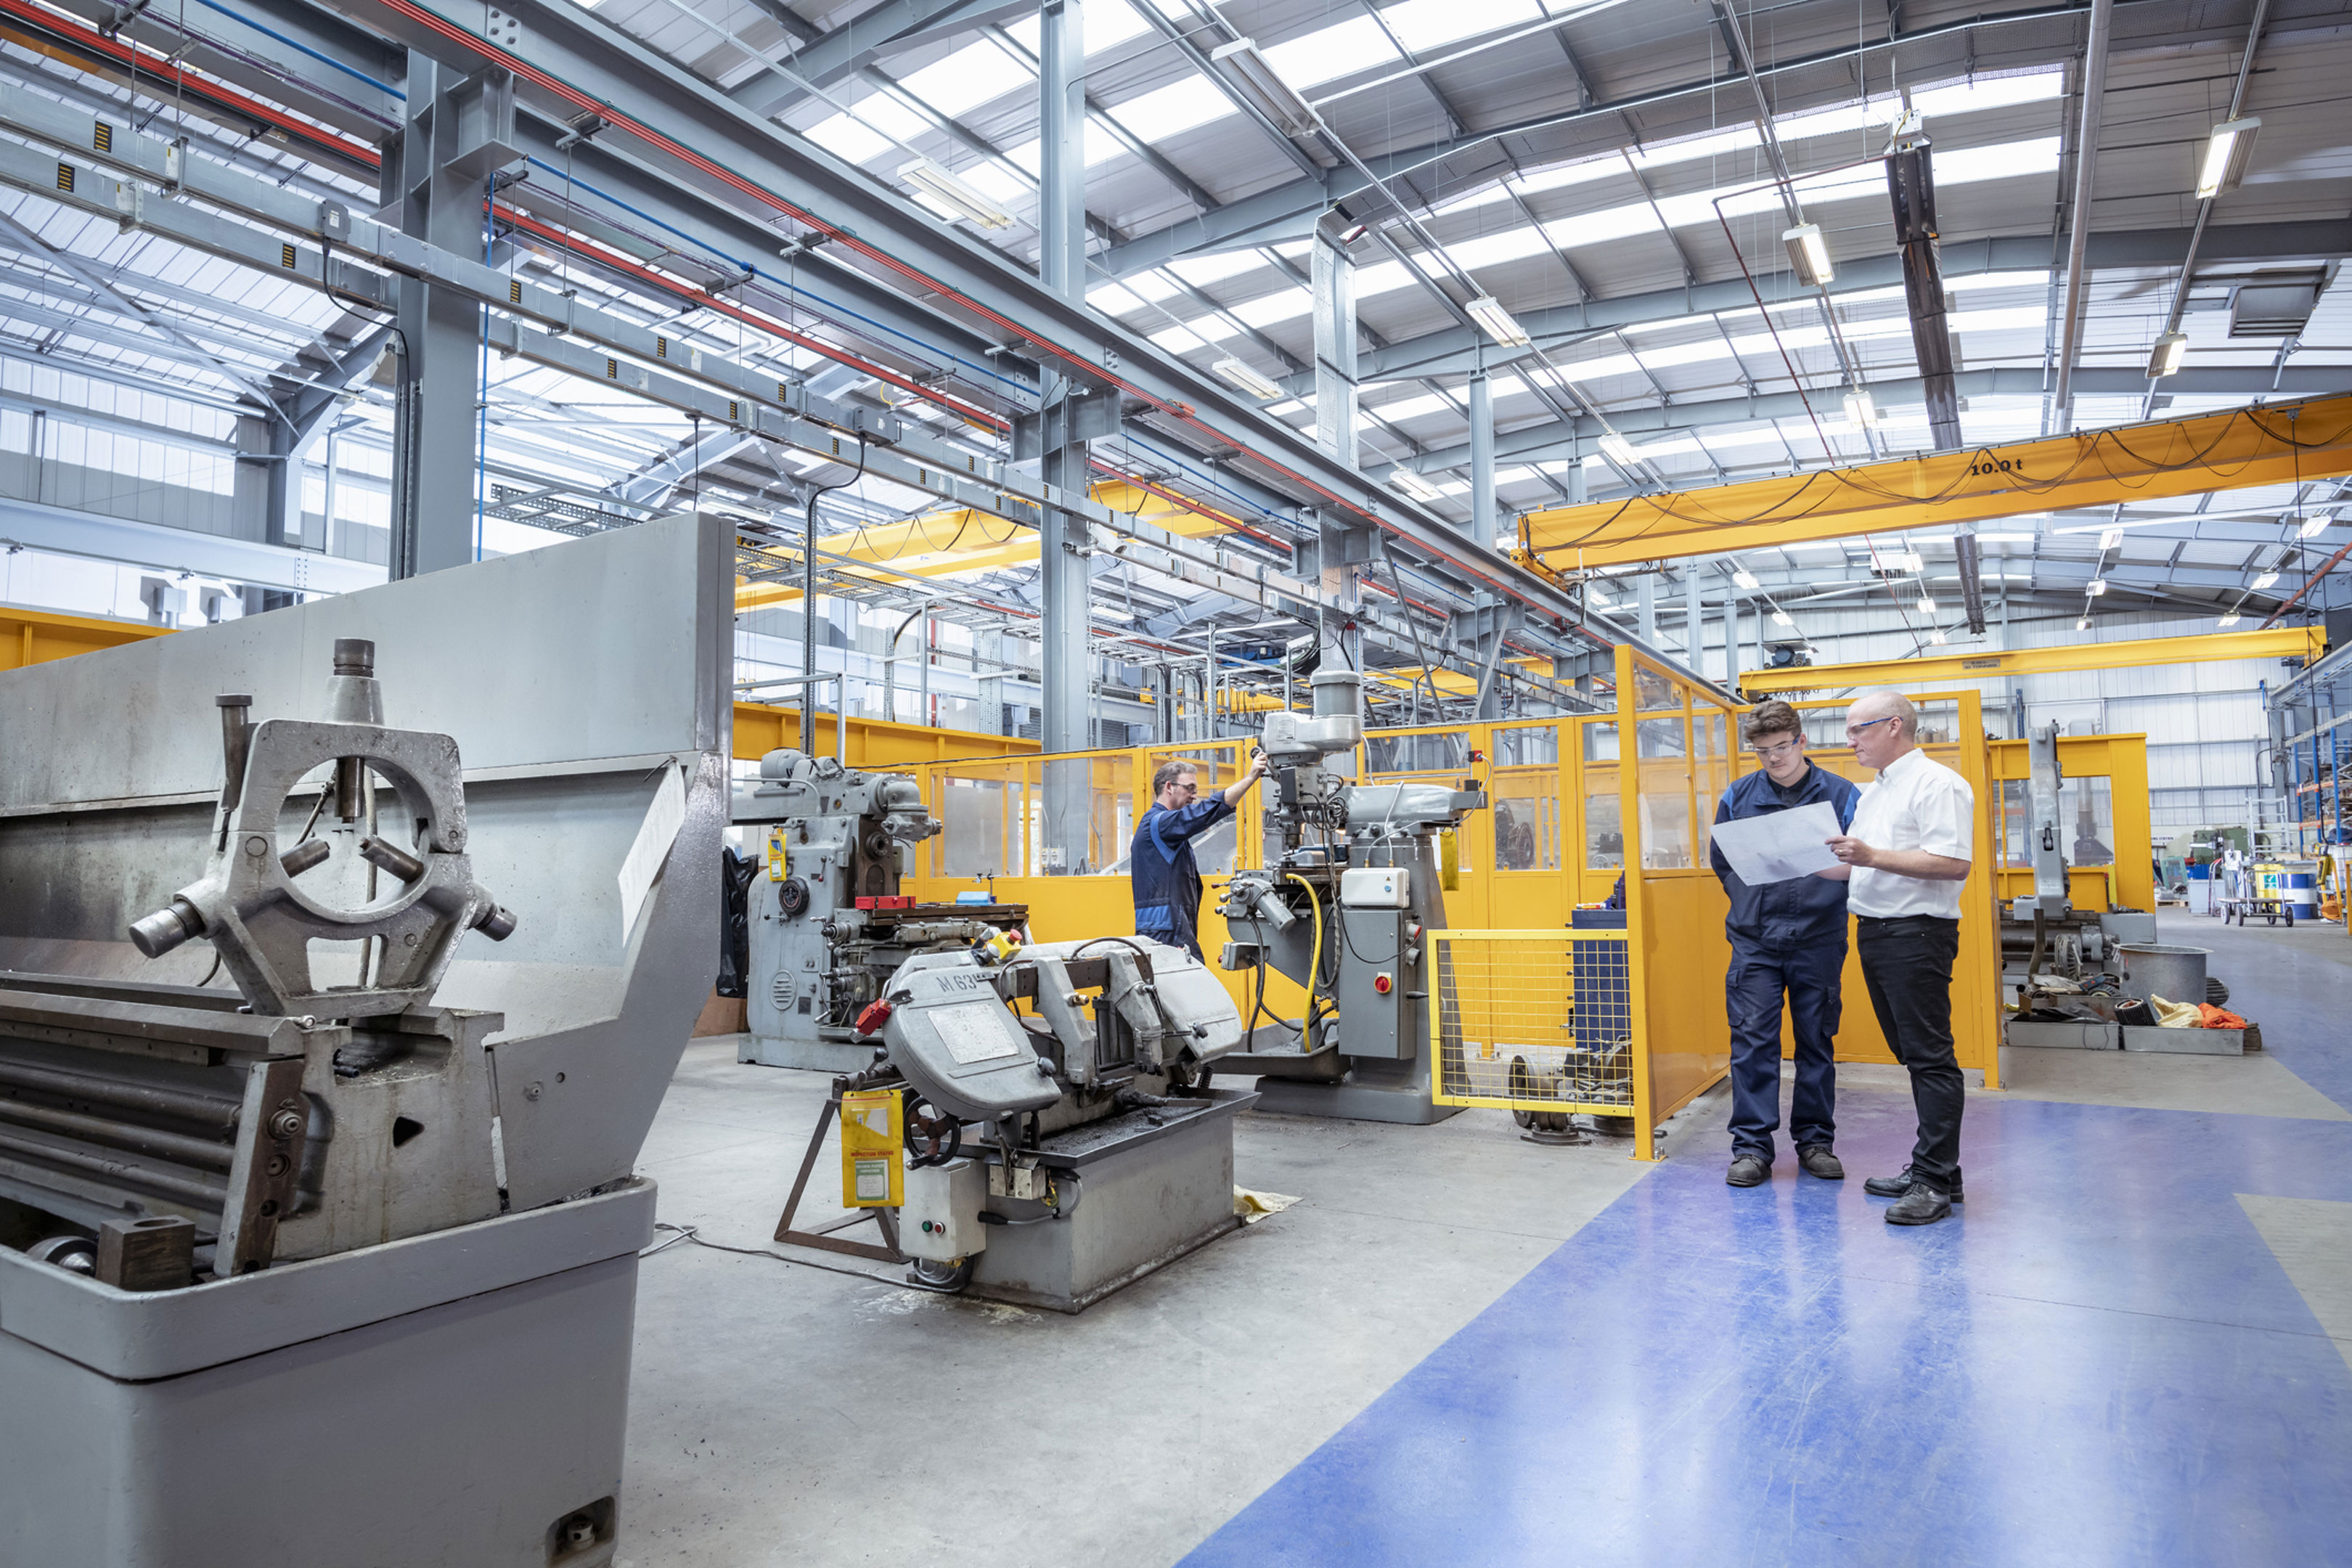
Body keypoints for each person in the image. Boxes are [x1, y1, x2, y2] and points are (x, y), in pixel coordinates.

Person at [1824, 689, 1977, 1228]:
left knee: (1930, 1056)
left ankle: (1934, 1182)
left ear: (1894, 726)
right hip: (1878, 931)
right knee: (1911, 1053)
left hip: (1917, 934)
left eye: (1858, 729)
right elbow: (1862, 864)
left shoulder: (1938, 785)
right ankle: (1937, 1168)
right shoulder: (1876, 793)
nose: (1850, 741)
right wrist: (1790, 859)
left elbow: (1954, 862)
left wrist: (1869, 855)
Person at [1710, 701, 1861, 1189]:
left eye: (1781, 747)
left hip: (1818, 938)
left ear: (1801, 741)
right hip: (1755, 941)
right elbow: (1724, 860)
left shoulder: (1842, 795)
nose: (1774, 759)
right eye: (1762, 751)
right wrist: (1750, 902)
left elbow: (1861, 860)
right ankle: (1752, 1148)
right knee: (1753, 1043)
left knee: (1816, 1040)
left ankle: (1816, 1142)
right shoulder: (1738, 796)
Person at [1132, 754, 1270, 960]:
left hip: (1168, 927)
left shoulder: (1169, 830)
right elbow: (1204, 813)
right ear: (1169, 787)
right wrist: (1249, 778)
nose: (1194, 796)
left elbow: (1201, 821)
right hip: (1165, 932)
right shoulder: (1160, 824)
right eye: (1190, 789)